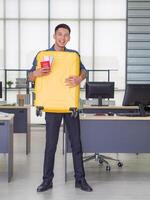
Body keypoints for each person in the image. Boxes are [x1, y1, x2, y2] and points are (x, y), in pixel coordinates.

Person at [28, 24, 93, 192]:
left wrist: (79, 78)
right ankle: (46, 181)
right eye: (60, 34)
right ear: (54, 36)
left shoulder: (73, 56)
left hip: (70, 105)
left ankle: (80, 180)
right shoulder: (44, 55)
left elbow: (84, 71)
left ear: (69, 38)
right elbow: (29, 76)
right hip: (51, 106)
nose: (62, 37)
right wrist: (36, 74)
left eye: (66, 35)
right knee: (51, 145)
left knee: (76, 144)